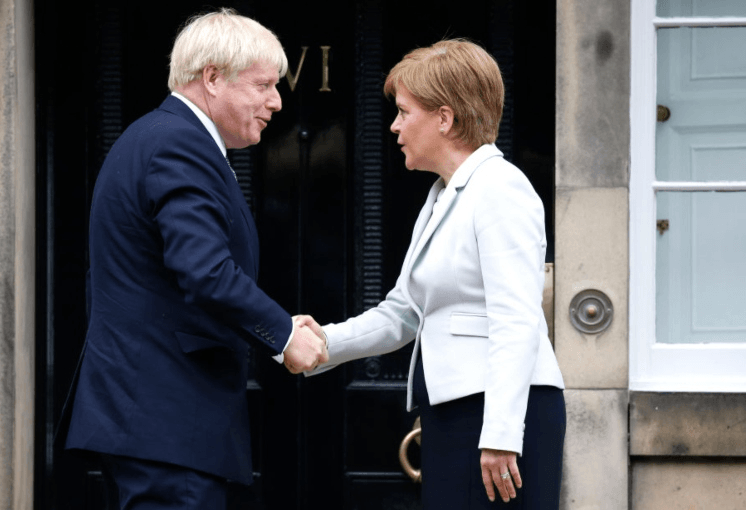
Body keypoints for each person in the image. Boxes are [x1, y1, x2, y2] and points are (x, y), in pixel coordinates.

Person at [58, 9, 328, 510]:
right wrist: (283, 335)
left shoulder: (159, 136)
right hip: (168, 426)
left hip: (153, 424)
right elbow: (205, 271)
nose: (276, 101)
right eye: (264, 85)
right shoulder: (179, 144)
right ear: (212, 77)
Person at [299, 39, 565, 509]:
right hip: (455, 415)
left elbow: (516, 318)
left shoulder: (500, 188)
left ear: (444, 118)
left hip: (497, 418)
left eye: (404, 112)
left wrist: (501, 433)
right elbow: (404, 312)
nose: (394, 125)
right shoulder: (444, 195)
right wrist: (323, 343)